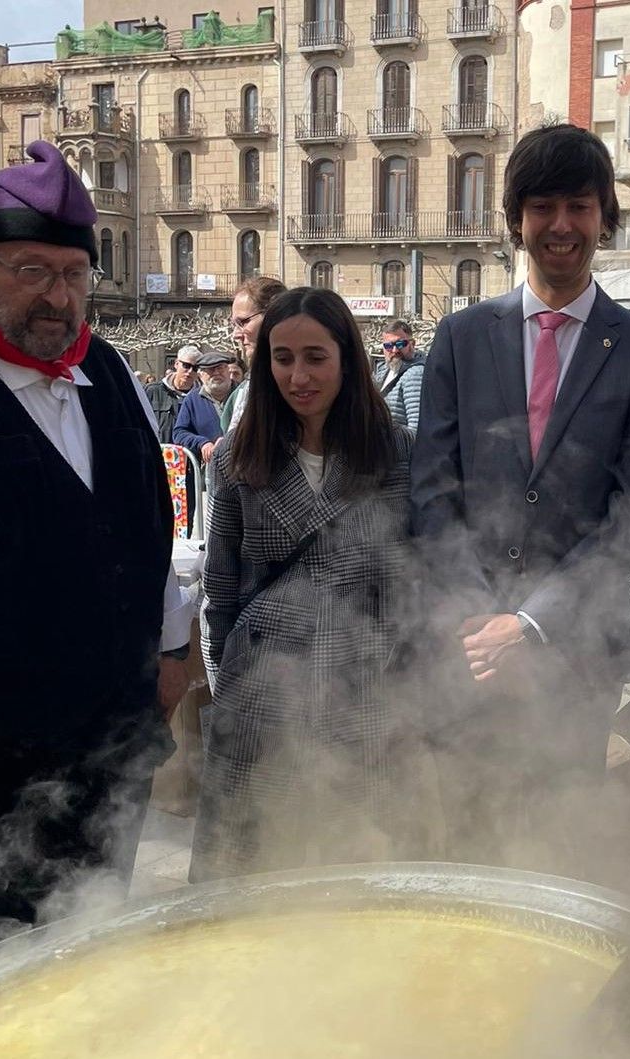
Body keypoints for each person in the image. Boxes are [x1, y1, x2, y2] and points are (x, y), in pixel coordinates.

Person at [410, 122, 630, 875]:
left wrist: (530, 624)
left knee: (557, 847)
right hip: (468, 653)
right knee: (468, 842)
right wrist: (481, 623)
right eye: (543, 206)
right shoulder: (461, 337)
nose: (562, 225)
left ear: (605, 217)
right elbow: (432, 491)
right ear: (516, 218)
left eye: (580, 206)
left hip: (576, 654)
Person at [0, 140, 191, 936]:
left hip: (114, 749)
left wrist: (173, 652)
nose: (58, 297)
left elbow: (152, 526)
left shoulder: (110, 372)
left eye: (73, 274)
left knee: (98, 934)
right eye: (32, 270)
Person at [190, 287, 422, 881]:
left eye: (316, 357)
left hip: (364, 687)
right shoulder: (236, 458)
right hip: (263, 692)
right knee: (256, 875)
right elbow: (221, 591)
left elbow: (410, 577)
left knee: (358, 871)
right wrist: (227, 688)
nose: (299, 376)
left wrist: (403, 678)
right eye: (283, 358)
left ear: (347, 358)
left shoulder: (394, 451)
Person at [222, 275, 286, 433]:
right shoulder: (241, 392)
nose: (236, 335)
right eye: (234, 325)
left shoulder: (298, 386)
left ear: (273, 315)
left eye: (243, 322)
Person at [172, 350, 233, 461]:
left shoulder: (244, 393)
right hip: (209, 465)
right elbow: (179, 433)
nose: (216, 373)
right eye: (210, 369)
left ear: (229, 371)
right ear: (200, 375)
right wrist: (202, 443)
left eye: (220, 368)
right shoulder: (192, 399)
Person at [374, 319, 426, 432]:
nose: (394, 350)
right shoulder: (384, 371)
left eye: (400, 344)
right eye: (388, 345)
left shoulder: (415, 374)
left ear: (412, 344)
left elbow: (416, 429)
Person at [145, 344, 201, 444]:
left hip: (189, 452)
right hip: (158, 451)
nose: (190, 371)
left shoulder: (202, 397)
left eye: (195, 368)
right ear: (176, 364)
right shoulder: (152, 391)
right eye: (186, 366)